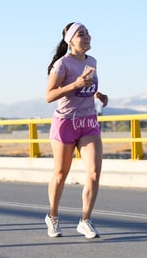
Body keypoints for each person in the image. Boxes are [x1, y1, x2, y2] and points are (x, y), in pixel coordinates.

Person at [44, 22, 108, 239]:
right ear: (70, 41)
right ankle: (52, 216)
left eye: (88, 32)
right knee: (61, 175)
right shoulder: (62, 65)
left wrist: (98, 95)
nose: (87, 36)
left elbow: (88, 85)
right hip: (65, 123)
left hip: (88, 122)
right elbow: (49, 96)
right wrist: (75, 85)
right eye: (81, 34)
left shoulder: (92, 61)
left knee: (94, 173)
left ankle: (85, 220)